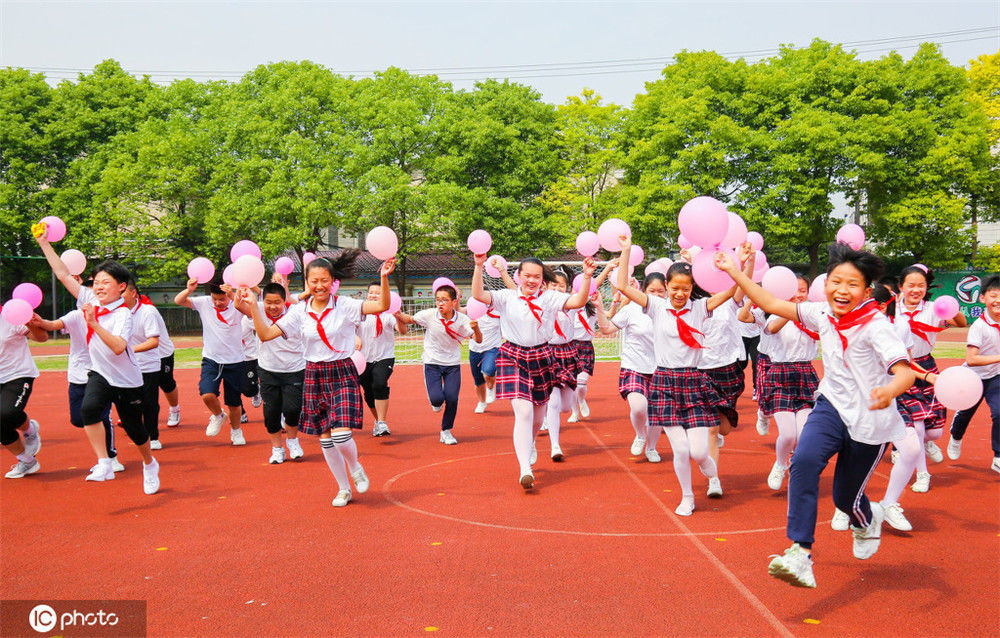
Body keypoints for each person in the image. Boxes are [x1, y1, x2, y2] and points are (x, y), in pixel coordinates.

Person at [716, 242, 915, 589]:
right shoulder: (821, 312)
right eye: (836, 281)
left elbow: (905, 372)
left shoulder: (876, 325)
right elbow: (771, 303)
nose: (842, 289)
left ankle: (868, 518)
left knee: (845, 499)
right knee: (804, 461)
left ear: (866, 291)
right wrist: (734, 272)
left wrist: (889, 391)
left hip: (870, 420)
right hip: (832, 406)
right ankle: (800, 552)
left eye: (852, 284)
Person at [240, 252, 395, 507]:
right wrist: (254, 306)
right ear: (307, 283)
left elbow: (381, 306)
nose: (319, 286)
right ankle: (343, 488)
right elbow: (266, 334)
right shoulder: (299, 311)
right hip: (313, 373)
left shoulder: (345, 305)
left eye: (324, 280)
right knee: (325, 439)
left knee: (341, 436)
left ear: (333, 281)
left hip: (342, 372)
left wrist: (383, 278)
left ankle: (355, 467)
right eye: (314, 281)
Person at [615, 238, 750, 515]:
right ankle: (687, 497)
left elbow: (731, 292)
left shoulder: (701, 309)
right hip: (664, 383)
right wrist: (626, 250)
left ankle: (709, 470)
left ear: (692, 289)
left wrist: (741, 265)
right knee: (679, 449)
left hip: (694, 383)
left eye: (685, 289)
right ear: (667, 287)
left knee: (699, 452)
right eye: (674, 288)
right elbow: (623, 286)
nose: (679, 294)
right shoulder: (655, 306)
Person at [471, 253, 596, 490]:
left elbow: (578, 301)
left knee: (539, 418)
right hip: (512, 356)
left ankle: (530, 446)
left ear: (542, 279)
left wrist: (588, 276)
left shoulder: (549, 297)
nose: (531, 280)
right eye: (527, 275)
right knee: (524, 412)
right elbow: (478, 294)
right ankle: (524, 469)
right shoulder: (506, 297)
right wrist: (479, 266)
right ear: (518, 276)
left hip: (542, 356)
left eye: (536, 276)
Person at [76, 260, 162, 495]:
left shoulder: (124, 314)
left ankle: (149, 464)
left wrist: (94, 323)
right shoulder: (90, 302)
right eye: (96, 282)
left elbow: (117, 347)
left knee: (136, 430)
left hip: (127, 379)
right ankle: (105, 462)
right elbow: (63, 275)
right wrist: (44, 242)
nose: (99, 287)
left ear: (121, 286)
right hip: (101, 373)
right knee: (89, 409)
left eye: (106, 282)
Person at [895, 265, 967, 490]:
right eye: (911, 285)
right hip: (903, 367)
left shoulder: (935, 308)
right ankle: (923, 475)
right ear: (901, 287)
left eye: (921, 286)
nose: (915, 290)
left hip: (927, 365)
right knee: (916, 426)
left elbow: (961, 324)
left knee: (934, 431)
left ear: (927, 288)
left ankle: (919, 443)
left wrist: (952, 309)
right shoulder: (892, 310)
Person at [31, 306, 121, 474]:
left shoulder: (113, 316)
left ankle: (110, 456)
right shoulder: (76, 315)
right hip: (77, 375)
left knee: (99, 415)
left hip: (101, 373)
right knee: (79, 419)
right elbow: (53, 325)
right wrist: (40, 322)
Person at [753, 275, 818, 493]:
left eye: (803, 291)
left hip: (805, 374)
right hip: (780, 373)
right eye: (795, 290)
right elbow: (771, 329)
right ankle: (780, 464)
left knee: (803, 435)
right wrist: (791, 309)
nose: (799, 295)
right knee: (788, 434)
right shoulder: (776, 311)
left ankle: (795, 467)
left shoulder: (814, 312)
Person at [397, 284, 481, 445]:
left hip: (452, 364)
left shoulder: (463, 320)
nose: (440, 303)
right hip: (432, 362)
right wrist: (398, 314)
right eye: (438, 300)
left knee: (452, 398)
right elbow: (410, 320)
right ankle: (435, 402)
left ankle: (446, 431)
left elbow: (478, 339)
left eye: (444, 300)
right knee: (436, 399)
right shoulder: (429, 315)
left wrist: (476, 329)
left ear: (454, 302)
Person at [235, 281, 306, 464]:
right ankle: (277, 449)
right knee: (271, 412)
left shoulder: (294, 314)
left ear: (284, 301)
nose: (272, 307)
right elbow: (237, 305)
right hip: (268, 370)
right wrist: (241, 293)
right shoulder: (256, 308)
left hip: (294, 369)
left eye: (277, 302)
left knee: (292, 409)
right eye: (268, 302)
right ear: (262, 300)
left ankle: (292, 441)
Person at [174, 279, 247, 445]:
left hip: (235, 361)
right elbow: (178, 301)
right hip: (211, 359)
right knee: (207, 394)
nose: (218, 302)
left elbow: (250, 312)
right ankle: (218, 415)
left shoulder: (237, 304)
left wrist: (233, 296)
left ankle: (236, 431)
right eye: (215, 299)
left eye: (222, 299)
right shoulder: (204, 303)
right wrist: (189, 290)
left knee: (234, 403)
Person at [596, 277, 661, 462]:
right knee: (639, 407)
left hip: (661, 368)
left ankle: (652, 447)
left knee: (656, 411)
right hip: (634, 366)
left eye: (660, 291)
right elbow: (607, 329)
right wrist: (600, 307)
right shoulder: (631, 309)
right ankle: (640, 435)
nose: (656, 295)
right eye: (652, 291)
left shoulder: (670, 311)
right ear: (644, 290)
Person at [946, 274, 1000, 476]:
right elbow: (972, 359)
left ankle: (998, 457)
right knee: (965, 414)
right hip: (973, 377)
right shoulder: (979, 327)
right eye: (993, 295)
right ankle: (956, 437)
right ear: (983, 298)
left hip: (996, 376)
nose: (998, 301)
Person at [356, 281, 407, 436]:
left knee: (379, 384)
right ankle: (378, 422)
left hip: (384, 357)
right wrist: (355, 339)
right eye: (371, 292)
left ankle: (382, 422)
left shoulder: (388, 314)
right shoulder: (360, 313)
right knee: (369, 393)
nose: (373, 295)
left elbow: (402, 331)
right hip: (363, 359)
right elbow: (347, 329)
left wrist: (398, 316)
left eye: (378, 293)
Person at [1, 307, 47, 478]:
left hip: (18, 374)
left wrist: (33, 325)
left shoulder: (11, 316)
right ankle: (27, 462)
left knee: (7, 413)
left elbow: (42, 338)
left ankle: (30, 430)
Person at [469, 299, 502, 414]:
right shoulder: (473, 309)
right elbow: (458, 310)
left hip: (492, 348)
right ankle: (482, 402)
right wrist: (457, 300)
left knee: (488, 371)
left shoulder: (499, 312)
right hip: (474, 349)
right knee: (478, 381)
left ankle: (491, 387)